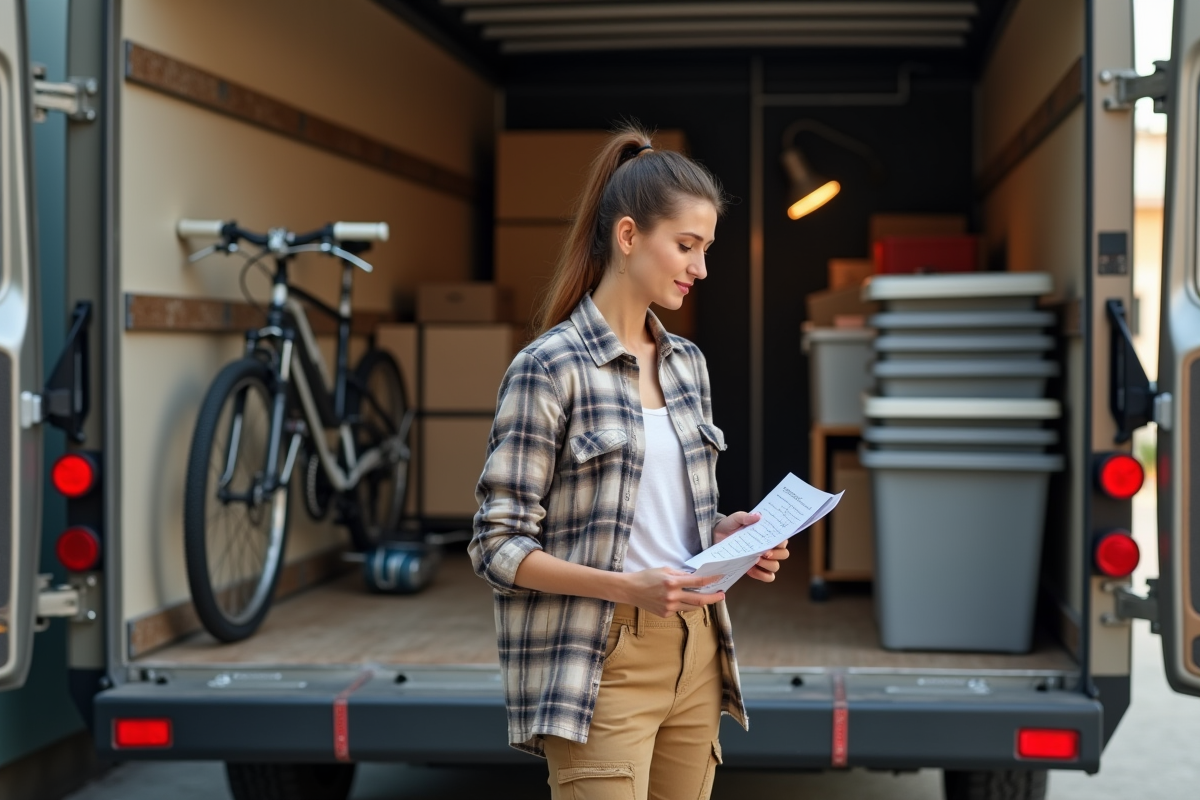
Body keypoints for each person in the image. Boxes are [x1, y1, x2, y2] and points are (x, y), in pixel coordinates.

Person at [470, 123, 790, 800]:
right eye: (686, 246)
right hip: (602, 659)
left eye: (705, 248)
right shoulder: (548, 369)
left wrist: (726, 536)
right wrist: (626, 588)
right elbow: (496, 546)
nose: (700, 268)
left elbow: (668, 521)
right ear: (627, 237)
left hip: (697, 651)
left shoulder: (688, 366)